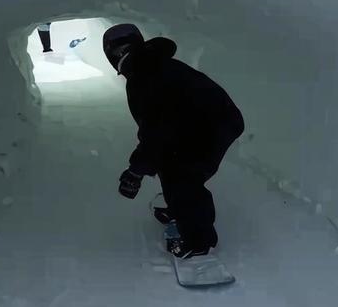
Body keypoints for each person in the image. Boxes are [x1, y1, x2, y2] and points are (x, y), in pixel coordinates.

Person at [102, 24, 244, 259]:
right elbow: (161, 129)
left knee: (184, 178)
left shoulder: (143, 76)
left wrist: (136, 171)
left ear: (113, 54)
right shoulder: (149, 65)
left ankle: (199, 241)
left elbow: (157, 132)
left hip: (213, 124)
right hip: (205, 121)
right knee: (172, 165)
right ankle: (181, 210)